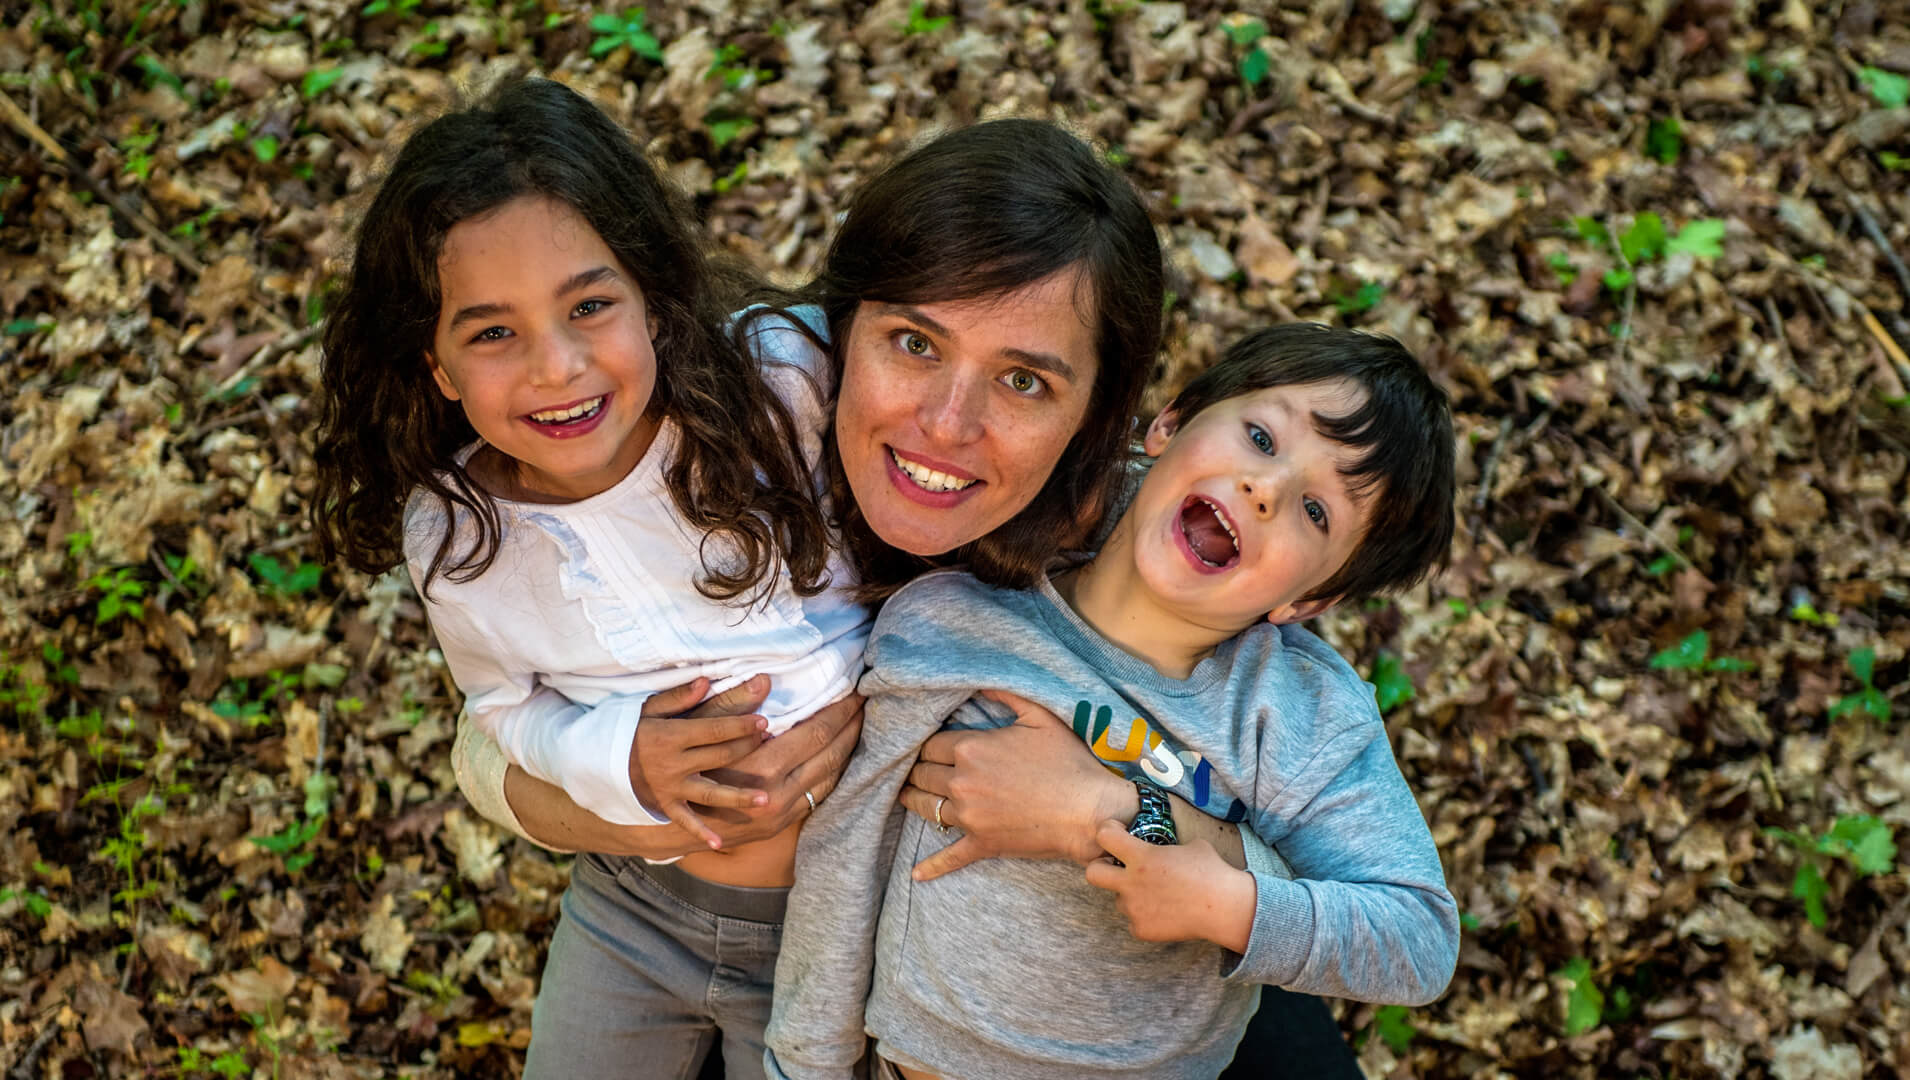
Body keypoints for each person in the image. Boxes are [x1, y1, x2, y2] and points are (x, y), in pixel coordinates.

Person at [440, 115, 1366, 1076]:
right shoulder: (740, 421)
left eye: (1022, 381)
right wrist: (645, 808)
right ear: (841, 328)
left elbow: (1329, 861)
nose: (946, 425)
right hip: (719, 932)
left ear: (1106, 416)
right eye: (915, 344)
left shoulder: (1176, 548)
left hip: (1068, 989)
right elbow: (487, 728)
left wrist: (1105, 810)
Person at [312, 76, 874, 1076]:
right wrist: (621, 762)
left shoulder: (778, 389)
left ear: (653, 304)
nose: (556, 365)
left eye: (590, 305)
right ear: (436, 366)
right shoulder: (459, 536)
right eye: (492, 332)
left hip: (834, 914)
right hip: (633, 914)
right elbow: (502, 712)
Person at [766, 324, 1461, 1080]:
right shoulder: (953, 624)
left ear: (1311, 598)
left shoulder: (1294, 716)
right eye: (1261, 436)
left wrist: (1226, 900)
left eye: (1317, 512)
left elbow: (1417, 939)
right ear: (1169, 423)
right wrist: (805, 1065)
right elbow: (845, 859)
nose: (1267, 490)